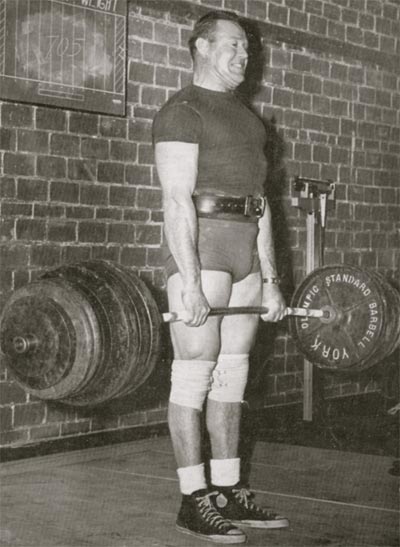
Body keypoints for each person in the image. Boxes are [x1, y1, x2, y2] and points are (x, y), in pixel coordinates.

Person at [152, 10, 289, 544]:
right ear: (200, 48)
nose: (243, 55)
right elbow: (175, 200)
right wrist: (187, 278)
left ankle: (230, 489)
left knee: (232, 376)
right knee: (193, 375)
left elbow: (263, 205)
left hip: (246, 253)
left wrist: (272, 278)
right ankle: (194, 499)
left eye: (246, 48)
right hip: (203, 248)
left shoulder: (251, 120)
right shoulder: (181, 111)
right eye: (232, 45)